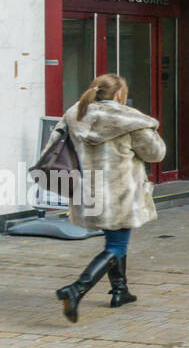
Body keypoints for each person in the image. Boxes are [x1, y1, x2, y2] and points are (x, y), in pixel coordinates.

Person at [52, 73, 166, 324]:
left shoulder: (74, 116)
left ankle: (119, 291)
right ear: (118, 95)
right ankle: (76, 289)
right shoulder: (130, 121)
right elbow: (156, 154)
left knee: (114, 238)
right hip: (120, 192)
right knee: (116, 246)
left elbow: (54, 144)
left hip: (88, 191)